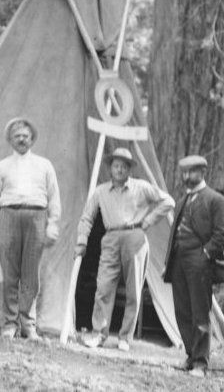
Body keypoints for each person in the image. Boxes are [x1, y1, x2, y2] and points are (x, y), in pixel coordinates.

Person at [75, 147, 174, 350]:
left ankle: (124, 337)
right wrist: (82, 240)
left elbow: (168, 201)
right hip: (110, 237)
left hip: (135, 236)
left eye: (124, 166)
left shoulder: (141, 187)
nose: (119, 170)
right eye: (116, 166)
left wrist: (148, 221)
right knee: (103, 287)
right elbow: (87, 217)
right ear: (110, 168)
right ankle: (98, 334)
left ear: (129, 169)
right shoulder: (101, 191)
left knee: (133, 289)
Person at [0, 117, 61, 340]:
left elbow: (54, 198)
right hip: (8, 216)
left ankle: (28, 323)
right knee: (10, 272)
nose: (21, 139)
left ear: (32, 139)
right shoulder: (1, 166)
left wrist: (52, 225)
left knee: (31, 274)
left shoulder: (44, 165)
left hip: (36, 217)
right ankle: (9, 323)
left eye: (25, 136)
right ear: (10, 140)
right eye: (17, 136)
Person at [163, 155, 224, 378]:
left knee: (200, 313)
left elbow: (223, 234)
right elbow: (175, 234)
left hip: (199, 263)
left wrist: (205, 254)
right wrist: (169, 263)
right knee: (182, 312)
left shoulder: (216, 200)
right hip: (179, 263)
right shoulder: (183, 200)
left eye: (191, 172)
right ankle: (191, 356)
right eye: (184, 172)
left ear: (202, 173)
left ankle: (202, 363)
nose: (186, 177)